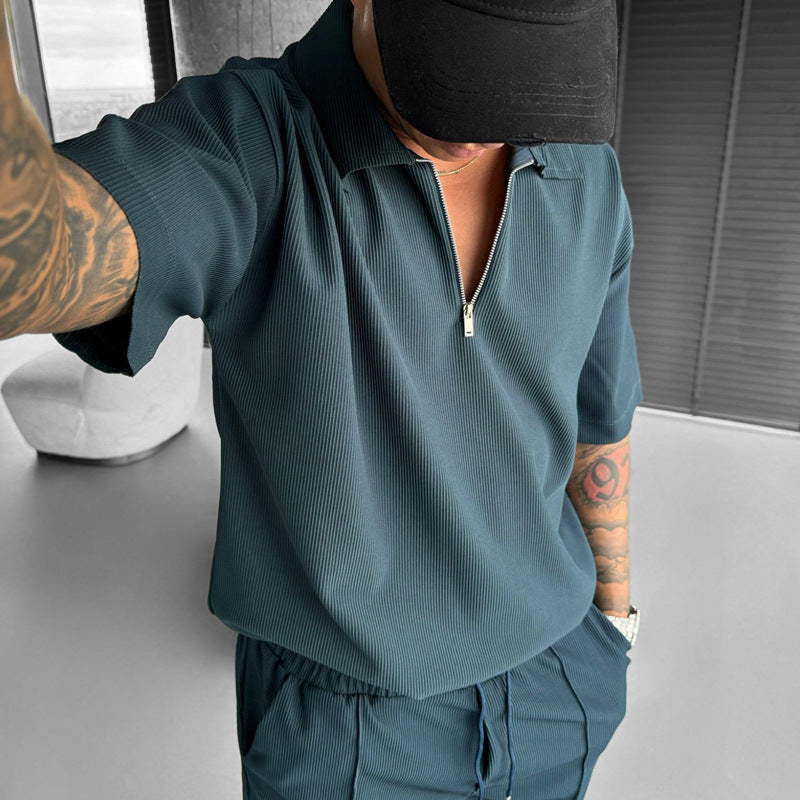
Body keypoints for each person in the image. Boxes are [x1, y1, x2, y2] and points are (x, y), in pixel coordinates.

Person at [0, 0, 643, 798]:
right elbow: (29, 260)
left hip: (561, 687)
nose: (486, 126)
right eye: (460, 73)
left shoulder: (583, 163)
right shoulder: (248, 141)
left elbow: (598, 417)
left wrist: (613, 622)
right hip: (350, 736)